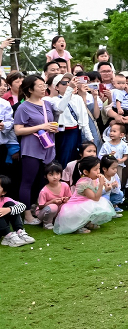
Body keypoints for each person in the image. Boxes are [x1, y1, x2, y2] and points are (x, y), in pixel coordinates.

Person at [14, 75, 58, 225]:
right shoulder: (23, 107)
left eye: (44, 85)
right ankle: (26, 216)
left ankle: (38, 210)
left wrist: (52, 128)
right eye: (40, 86)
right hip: (31, 148)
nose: (43, 88)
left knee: (42, 180)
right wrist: (41, 127)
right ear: (30, 89)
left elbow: (49, 123)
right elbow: (18, 130)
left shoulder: (47, 104)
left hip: (47, 146)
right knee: (27, 181)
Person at [54, 156, 116, 234]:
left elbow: (97, 194)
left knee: (97, 203)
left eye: (98, 168)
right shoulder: (84, 183)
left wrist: (104, 187)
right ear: (86, 172)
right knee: (93, 204)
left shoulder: (93, 179)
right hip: (74, 208)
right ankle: (78, 226)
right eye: (95, 169)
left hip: (84, 204)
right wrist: (100, 185)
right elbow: (96, 198)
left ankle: (87, 223)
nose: (98, 171)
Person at [0, 175, 35, 247]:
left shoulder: (5, 199)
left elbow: (23, 206)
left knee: (11, 204)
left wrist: (9, 209)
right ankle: (8, 236)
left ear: (3, 192)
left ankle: (19, 232)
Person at [36, 161, 72, 230]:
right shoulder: (44, 191)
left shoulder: (65, 185)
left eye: (57, 174)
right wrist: (52, 201)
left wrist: (65, 200)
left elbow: (70, 198)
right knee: (53, 207)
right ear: (45, 176)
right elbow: (41, 206)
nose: (55, 177)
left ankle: (60, 221)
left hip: (58, 210)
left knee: (66, 205)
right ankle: (47, 223)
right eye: (51, 175)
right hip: (44, 212)